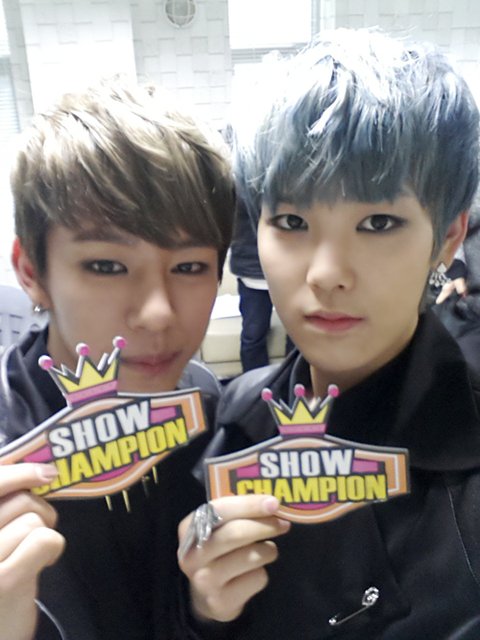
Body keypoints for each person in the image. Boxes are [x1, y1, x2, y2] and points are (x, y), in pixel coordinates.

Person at [178, 29, 480, 639]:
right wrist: (205, 614)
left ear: (447, 237)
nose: (325, 273)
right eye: (292, 221)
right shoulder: (228, 422)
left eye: (378, 222)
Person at [0, 79, 235, 639]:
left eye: (189, 267)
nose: (158, 313)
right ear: (31, 271)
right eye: (106, 266)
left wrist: (209, 614)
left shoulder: (210, 409)